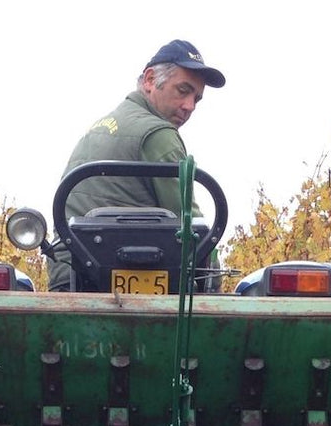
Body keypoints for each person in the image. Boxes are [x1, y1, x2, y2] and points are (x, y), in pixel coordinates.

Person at [49, 39, 225, 289]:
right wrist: (214, 287)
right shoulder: (158, 134)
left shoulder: (100, 127)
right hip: (128, 282)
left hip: (69, 278)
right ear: (151, 80)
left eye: (196, 99)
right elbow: (194, 230)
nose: (189, 106)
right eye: (183, 91)